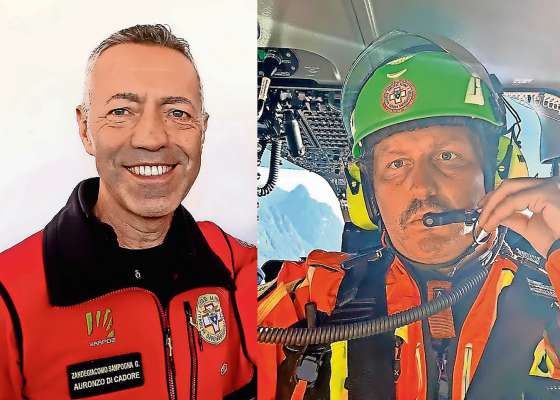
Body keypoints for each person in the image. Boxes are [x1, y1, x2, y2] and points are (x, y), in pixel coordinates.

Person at [257, 31, 560, 400]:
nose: (421, 187)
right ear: (365, 194)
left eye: (447, 156)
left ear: (497, 174)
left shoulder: (550, 300)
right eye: (396, 164)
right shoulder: (308, 298)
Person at [0, 24, 256, 399]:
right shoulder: (10, 298)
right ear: (85, 129)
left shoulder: (232, 261)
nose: (152, 138)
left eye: (178, 113)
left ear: (202, 131)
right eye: (121, 111)